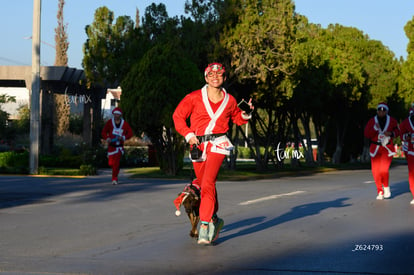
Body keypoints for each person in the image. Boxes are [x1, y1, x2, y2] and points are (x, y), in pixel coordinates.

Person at [173, 62, 254, 245]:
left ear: (224, 78)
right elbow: (177, 117)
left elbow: (237, 118)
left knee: (208, 182)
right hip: (198, 145)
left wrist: (246, 113)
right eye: (211, 74)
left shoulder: (230, 100)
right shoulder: (193, 97)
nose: (215, 77)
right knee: (204, 184)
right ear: (206, 77)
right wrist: (188, 135)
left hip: (219, 143)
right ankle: (215, 219)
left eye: (219, 75)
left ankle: (204, 225)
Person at [364, 102, 400, 200]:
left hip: (387, 148)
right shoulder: (372, 121)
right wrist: (374, 129)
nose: (381, 113)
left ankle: (386, 187)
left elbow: (398, 131)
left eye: (384, 111)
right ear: (377, 111)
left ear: (387, 112)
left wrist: (391, 134)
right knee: (375, 172)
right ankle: (380, 191)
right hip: (375, 149)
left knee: (383, 170)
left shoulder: (392, 121)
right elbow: (367, 134)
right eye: (379, 111)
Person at [101, 107, 133, 185]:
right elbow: (104, 132)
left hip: (119, 147)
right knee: (111, 163)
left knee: (116, 163)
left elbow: (130, 133)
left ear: (120, 115)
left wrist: (123, 137)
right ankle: (115, 171)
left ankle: (114, 178)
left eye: (117, 114)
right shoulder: (109, 122)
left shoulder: (124, 124)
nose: (116, 116)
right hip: (111, 146)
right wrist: (107, 138)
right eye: (115, 114)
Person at [399, 106, 414, 204]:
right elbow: (401, 135)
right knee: (412, 173)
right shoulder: (405, 123)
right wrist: (407, 136)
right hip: (411, 151)